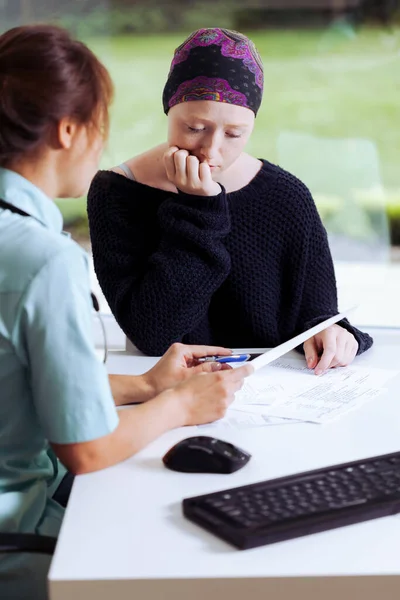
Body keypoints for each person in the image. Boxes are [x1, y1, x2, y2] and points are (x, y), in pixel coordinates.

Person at [0, 25, 252, 599]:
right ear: (69, 130)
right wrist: (180, 406)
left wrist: (143, 385)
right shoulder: (42, 260)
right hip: (22, 542)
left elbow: (12, 379)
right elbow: (87, 450)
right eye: (100, 124)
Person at [87, 27, 373, 374]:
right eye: (194, 127)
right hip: (168, 394)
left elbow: (317, 313)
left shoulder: (286, 197)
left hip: (276, 392)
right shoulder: (117, 193)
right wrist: (198, 209)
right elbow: (154, 335)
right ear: (169, 109)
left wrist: (332, 331)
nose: (211, 150)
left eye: (234, 134)